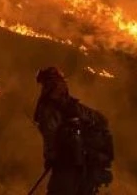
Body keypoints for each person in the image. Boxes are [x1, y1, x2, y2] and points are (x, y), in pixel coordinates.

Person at [33, 67, 113, 195]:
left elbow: (50, 133)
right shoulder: (72, 106)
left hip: (66, 163)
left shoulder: (49, 106)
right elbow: (101, 119)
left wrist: (50, 157)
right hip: (83, 163)